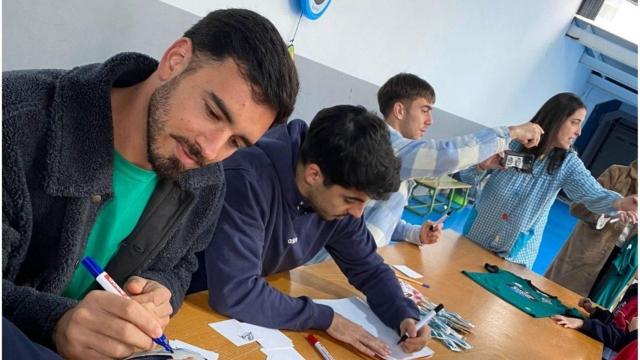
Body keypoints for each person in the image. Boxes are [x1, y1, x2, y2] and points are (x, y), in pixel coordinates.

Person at [2, 8, 298, 359]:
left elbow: (181, 264)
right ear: (175, 60)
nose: (210, 149)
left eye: (236, 142)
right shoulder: (16, 122)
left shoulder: (207, 182)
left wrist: (162, 292)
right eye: (213, 113)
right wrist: (55, 321)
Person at [194, 105, 429, 357]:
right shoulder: (247, 178)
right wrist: (326, 319)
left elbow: (369, 268)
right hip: (193, 302)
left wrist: (403, 313)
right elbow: (234, 292)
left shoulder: (338, 192)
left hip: (250, 307)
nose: (358, 213)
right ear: (313, 174)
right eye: (351, 200)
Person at [307, 73, 545, 265]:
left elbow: (376, 217)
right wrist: (510, 133)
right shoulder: (387, 147)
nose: (430, 120)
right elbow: (447, 155)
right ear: (400, 110)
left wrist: (415, 234)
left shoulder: (396, 154)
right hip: (330, 265)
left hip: (351, 264)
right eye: (425, 110)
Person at [457, 93, 637, 269]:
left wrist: (619, 202)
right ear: (556, 120)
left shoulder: (568, 163)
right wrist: (481, 166)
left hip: (514, 255)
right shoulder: (510, 143)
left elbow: (592, 193)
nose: (579, 132)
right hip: (476, 235)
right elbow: (467, 177)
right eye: (575, 123)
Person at [545, 160, 637, 297]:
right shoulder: (617, 173)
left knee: (592, 316)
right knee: (549, 301)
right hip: (581, 261)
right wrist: (611, 211)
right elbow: (578, 207)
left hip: (619, 273)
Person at [551, 284, 637, 356]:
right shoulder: (634, 291)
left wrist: (583, 324)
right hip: (594, 345)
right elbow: (614, 320)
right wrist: (593, 310)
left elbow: (620, 340)